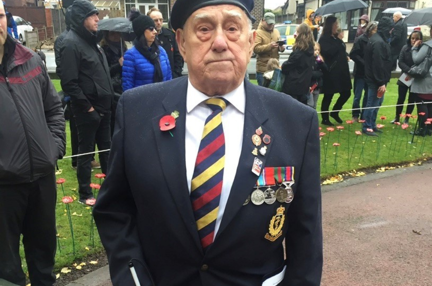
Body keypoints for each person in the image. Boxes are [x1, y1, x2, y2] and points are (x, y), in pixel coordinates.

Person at [93, 0, 323, 285]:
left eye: (232, 28)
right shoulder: (138, 111)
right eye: (203, 29)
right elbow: (115, 209)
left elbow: (307, 235)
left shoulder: (296, 122)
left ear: (251, 42)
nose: (219, 42)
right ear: (181, 42)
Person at [0, 1, 66, 285]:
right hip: (4, 187)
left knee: (44, 258)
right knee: (6, 267)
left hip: (41, 179)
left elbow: (53, 109)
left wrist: (54, 148)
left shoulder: (30, 59)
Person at [60, 0, 113, 205]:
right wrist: (88, 108)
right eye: (93, 15)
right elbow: (69, 83)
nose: (97, 19)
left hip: (104, 108)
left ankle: (110, 191)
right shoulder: (71, 43)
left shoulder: (92, 42)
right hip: (88, 110)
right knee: (86, 153)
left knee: (107, 152)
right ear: (82, 20)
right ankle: (85, 194)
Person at [122, 14, 172, 91]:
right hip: (142, 100)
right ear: (142, 31)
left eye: (155, 28)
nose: (155, 32)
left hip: (162, 98)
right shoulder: (131, 55)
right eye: (151, 29)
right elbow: (128, 86)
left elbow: (169, 78)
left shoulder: (161, 51)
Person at [318, 16, 352, 126]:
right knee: (329, 94)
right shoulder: (324, 39)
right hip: (331, 71)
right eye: (335, 24)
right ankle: (325, 118)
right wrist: (337, 42)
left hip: (342, 71)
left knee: (346, 92)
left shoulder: (336, 38)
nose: (337, 26)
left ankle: (335, 111)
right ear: (331, 25)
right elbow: (329, 52)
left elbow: (342, 49)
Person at [362, 17, 393, 136]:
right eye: (390, 29)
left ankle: (372, 124)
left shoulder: (377, 40)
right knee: (372, 103)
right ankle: (367, 126)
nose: (391, 31)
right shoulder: (378, 42)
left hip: (377, 78)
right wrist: (381, 82)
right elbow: (378, 64)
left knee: (377, 102)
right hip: (376, 79)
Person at [391, 31, 422, 124]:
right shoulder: (405, 48)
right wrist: (408, 71)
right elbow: (400, 62)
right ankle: (397, 117)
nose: (414, 40)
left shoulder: (421, 50)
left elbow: (421, 63)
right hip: (404, 76)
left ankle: (407, 118)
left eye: (416, 39)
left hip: (415, 77)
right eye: (412, 38)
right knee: (401, 98)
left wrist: (412, 73)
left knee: (411, 99)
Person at [281, 23, 315, 104]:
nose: (295, 34)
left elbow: (286, 66)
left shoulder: (299, 52)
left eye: (297, 32)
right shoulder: (310, 50)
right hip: (304, 85)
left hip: (293, 86)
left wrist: (283, 65)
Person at [148, 7, 184, 78]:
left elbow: (178, 56)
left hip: (171, 77)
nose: (159, 23)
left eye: (160, 20)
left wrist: (176, 74)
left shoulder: (170, 35)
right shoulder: (146, 37)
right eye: (155, 20)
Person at [410, 26, 432, 136]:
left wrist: (414, 48)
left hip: (425, 78)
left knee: (422, 102)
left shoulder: (428, 46)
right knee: (430, 103)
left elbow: (417, 59)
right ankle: (429, 128)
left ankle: (422, 128)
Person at [254, 12, 285, 86]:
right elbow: (255, 49)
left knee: (274, 95)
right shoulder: (258, 33)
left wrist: (281, 48)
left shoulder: (276, 32)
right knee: (263, 95)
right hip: (263, 70)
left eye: (272, 23)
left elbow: (279, 47)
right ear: (263, 21)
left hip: (275, 69)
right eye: (269, 23)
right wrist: (269, 46)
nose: (271, 25)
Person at [349, 23, 372, 122]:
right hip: (360, 72)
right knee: (357, 95)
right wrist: (364, 63)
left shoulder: (374, 40)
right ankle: (355, 114)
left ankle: (364, 115)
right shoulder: (360, 40)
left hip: (369, 73)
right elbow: (353, 54)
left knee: (367, 95)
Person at [309, 42, 327, 109]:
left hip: (317, 85)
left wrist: (320, 61)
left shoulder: (319, 60)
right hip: (310, 85)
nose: (317, 51)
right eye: (315, 50)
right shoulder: (309, 59)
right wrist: (318, 73)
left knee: (314, 105)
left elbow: (325, 70)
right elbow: (310, 72)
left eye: (318, 50)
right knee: (310, 104)